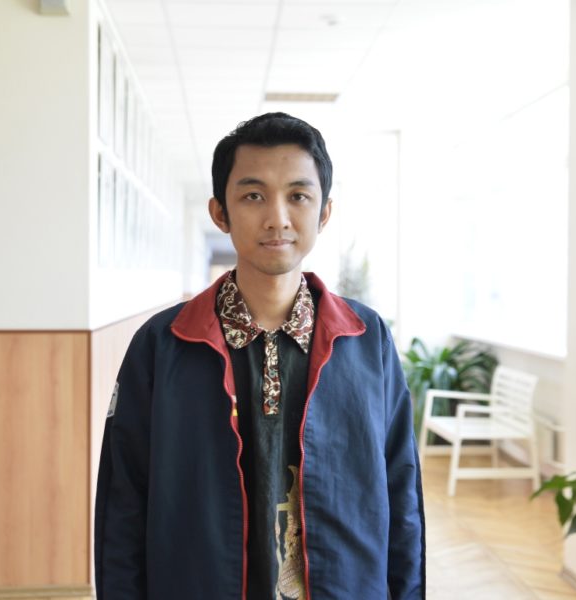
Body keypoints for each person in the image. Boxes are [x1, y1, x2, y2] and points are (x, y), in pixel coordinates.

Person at [94, 112, 425, 599]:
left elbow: (402, 492)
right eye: (253, 196)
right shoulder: (163, 344)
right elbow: (123, 505)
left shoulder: (365, 338)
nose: (277, 218)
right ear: (220, 212)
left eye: (298, 196)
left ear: (324, 212)